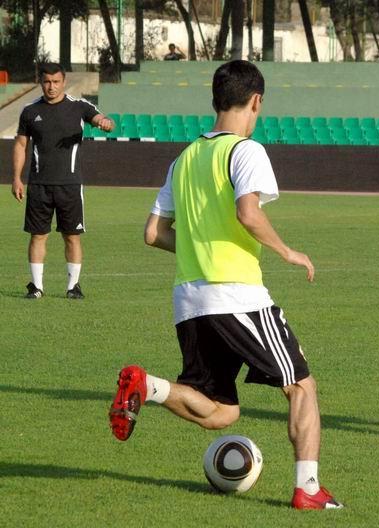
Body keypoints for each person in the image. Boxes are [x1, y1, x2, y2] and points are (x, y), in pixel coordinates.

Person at [108, 60, 343, 510]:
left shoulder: (184, 159)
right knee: (301, 386)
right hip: (237, 294)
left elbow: (153, 233)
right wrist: (287, 251)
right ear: (256, 101)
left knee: (220, 411)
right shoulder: (245, 150)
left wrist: (198, 248)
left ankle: (146, 385)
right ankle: (309, 489)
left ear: (215, 100)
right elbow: (248, 213)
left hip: (189, 299)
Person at [11, 62, 114, 299]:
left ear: (64, 82)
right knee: (37, 236)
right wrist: (16, 178)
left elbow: (101, 118)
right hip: (39, 185)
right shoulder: (29, 111)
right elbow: (20, 145)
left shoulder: (79, 106)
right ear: (41, 82)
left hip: (70, 185)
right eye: (47, 82)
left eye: (56, 82)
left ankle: (73, 287)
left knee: (72, 236)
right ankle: (37, 287)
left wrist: (105, 123)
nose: (51, 87)